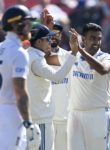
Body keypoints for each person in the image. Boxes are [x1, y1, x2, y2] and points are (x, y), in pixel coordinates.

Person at [46, 23, 110, 150]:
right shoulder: (72, 56)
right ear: (84, 39)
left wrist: (80, 50)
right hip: (75, 115)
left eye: (99, 38)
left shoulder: (107, 57)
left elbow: (103, 69)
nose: (96, 42)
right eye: (92, 38)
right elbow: (46, 59)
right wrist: (47, 33)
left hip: (98, 114)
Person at [27, 23, 78, 150]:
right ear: (39, 42)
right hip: (40, 120)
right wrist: (74, 53)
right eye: (48, 39)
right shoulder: (37, 59)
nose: (50, 41)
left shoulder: (27, 54)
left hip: (30, 117)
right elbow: (58, 76)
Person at [0, 5, 41, 150]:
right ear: (17, 25)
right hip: (11, 113)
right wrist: (28, 122)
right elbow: (20, 92)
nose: (30, 27)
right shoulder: (19, 52)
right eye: (28, 23)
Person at [50, 21, 70, 150]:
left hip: (65, 119)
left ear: (61, 36)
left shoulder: (70, 56)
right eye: (50, 32)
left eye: (57, 33)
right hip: (45, 118)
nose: (53, 36)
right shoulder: (35, 56)